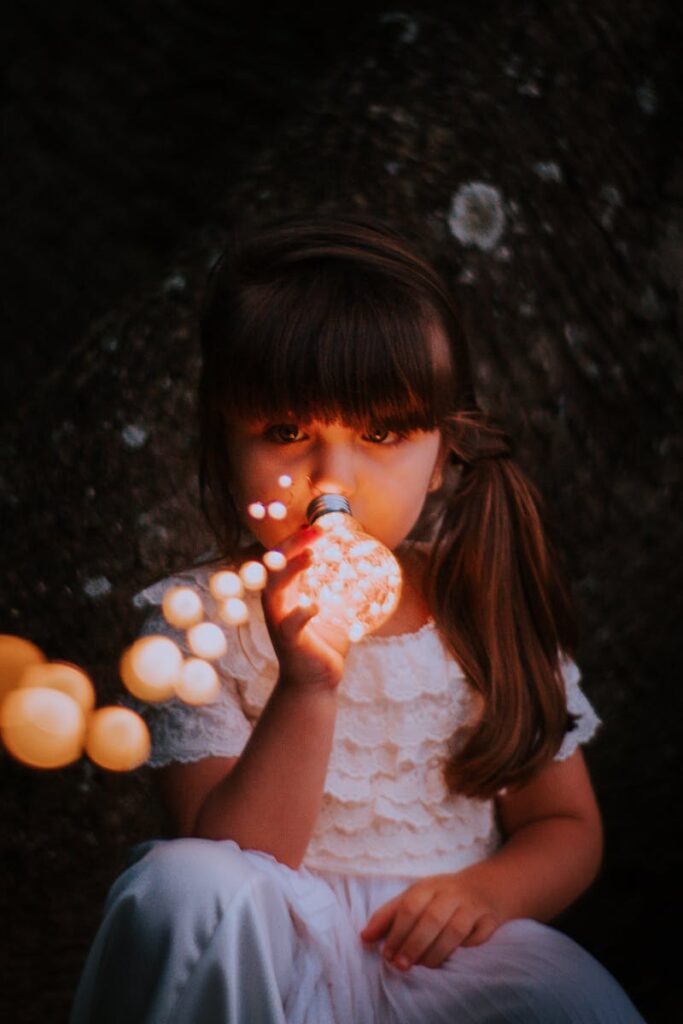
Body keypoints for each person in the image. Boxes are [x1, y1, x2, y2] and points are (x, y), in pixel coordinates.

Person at [70, 213, 645, 1023]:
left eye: (380, 433)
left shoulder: (479, 611)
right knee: (182, 882)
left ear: (443, 453)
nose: (328, 480)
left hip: (439, 961)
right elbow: (231, 870)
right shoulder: (198, 621)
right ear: (222, 442)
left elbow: (565, 824)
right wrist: (306, 686)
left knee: (572, 1002)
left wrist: (486, 890)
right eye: (285, 432)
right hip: (268, 966)